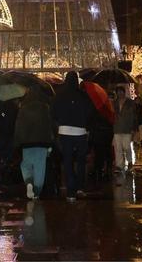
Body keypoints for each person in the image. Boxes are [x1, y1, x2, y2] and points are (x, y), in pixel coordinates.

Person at [50, 71, 95, 201]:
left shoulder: (59, 95)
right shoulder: (83, 95)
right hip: (80, 131)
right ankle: (80, 186)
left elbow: (53, 113)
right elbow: (90, 112)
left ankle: (71, 192)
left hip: (64, 131)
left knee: (67, 161)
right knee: (81, 160)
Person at [14, 87, 55, 199]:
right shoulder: (45, 108)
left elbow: (19, 126)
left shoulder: (23, 108)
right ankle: (36, 192)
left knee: (26, 165)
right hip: (42, 143)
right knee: (40, 168)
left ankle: (29, 182)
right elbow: (50, 126)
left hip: (27, 142)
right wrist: (51, 142)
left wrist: (17, 142)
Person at [112, 88, 138, 174]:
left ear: (124, 92)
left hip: (127, 128)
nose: (120, 93)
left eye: (121, 92)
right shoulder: (114, 103)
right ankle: (119, 165)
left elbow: (134, 116)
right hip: (117, 128)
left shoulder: (130, 103)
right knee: (118, 148)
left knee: (127, 147)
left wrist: (133, 128)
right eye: (118, 92)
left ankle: (130, 162)